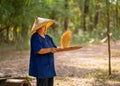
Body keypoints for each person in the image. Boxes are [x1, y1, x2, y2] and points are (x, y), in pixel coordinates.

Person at [29, 17, 57, 86]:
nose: (45, 28)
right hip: (41, 67)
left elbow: (54, 48)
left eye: (45, 26)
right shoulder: (35, 37)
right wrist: (50, 49)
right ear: (39, 28)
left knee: (50, 84)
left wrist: (61, 49)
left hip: (50, 66)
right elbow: (39, 50)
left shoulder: (48, 37)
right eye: (44, 26)